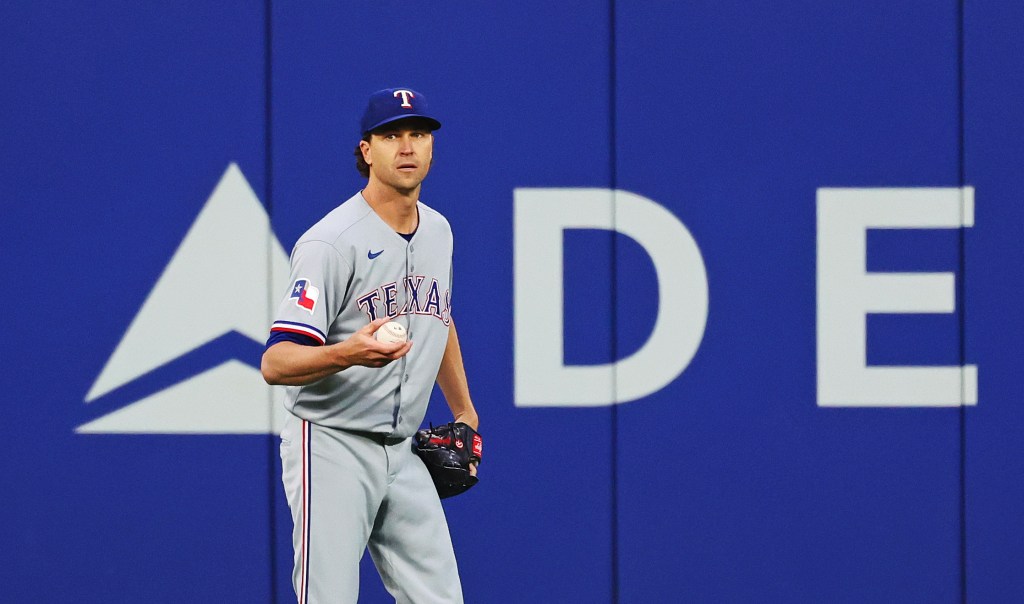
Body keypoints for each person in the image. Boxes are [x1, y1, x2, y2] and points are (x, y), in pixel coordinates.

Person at [261, 87, 479, 604]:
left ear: (431, 148)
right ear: (367, 151)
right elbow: (276, 363)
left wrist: (465, 409)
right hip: (332, 443)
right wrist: (347, 353)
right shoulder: (329, 244)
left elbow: (438, 317)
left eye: (418, 135)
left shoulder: (440, 232)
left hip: (402, 451)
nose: (406, 147)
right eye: (391, 136)